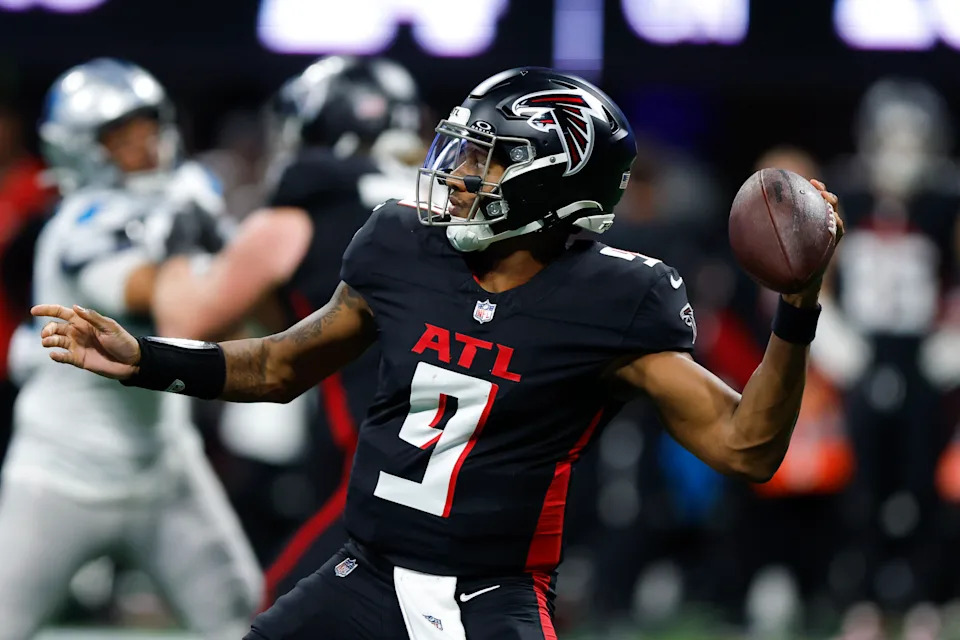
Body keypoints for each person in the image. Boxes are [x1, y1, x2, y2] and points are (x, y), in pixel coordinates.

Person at [33, 67, 843, 640]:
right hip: (362, 580)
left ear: (550, 180)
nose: (455, 173)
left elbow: (745, 448)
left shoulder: (613, 300)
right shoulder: (400, 242)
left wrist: (797, 310)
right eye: (460, 149)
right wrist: (148, 357)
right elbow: (280, 366)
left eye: (485, 157)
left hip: (491, 601)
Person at [2, 58, 261, 639]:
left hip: (164, 471)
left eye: (148, 124)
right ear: (78, 146)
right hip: (63, 475)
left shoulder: (181, 196)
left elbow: (243, 320)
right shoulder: (82, 221)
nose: (145, 143)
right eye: (120, 133)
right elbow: (164, 303)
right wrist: (203, 239)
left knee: (239, 619)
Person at [148, 55, 422, 602]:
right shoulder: (448, 208)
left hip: (377, 464)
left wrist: (181, 242)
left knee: (281, 613)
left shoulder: (294, 217)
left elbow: (184, 322)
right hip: (466, 460)